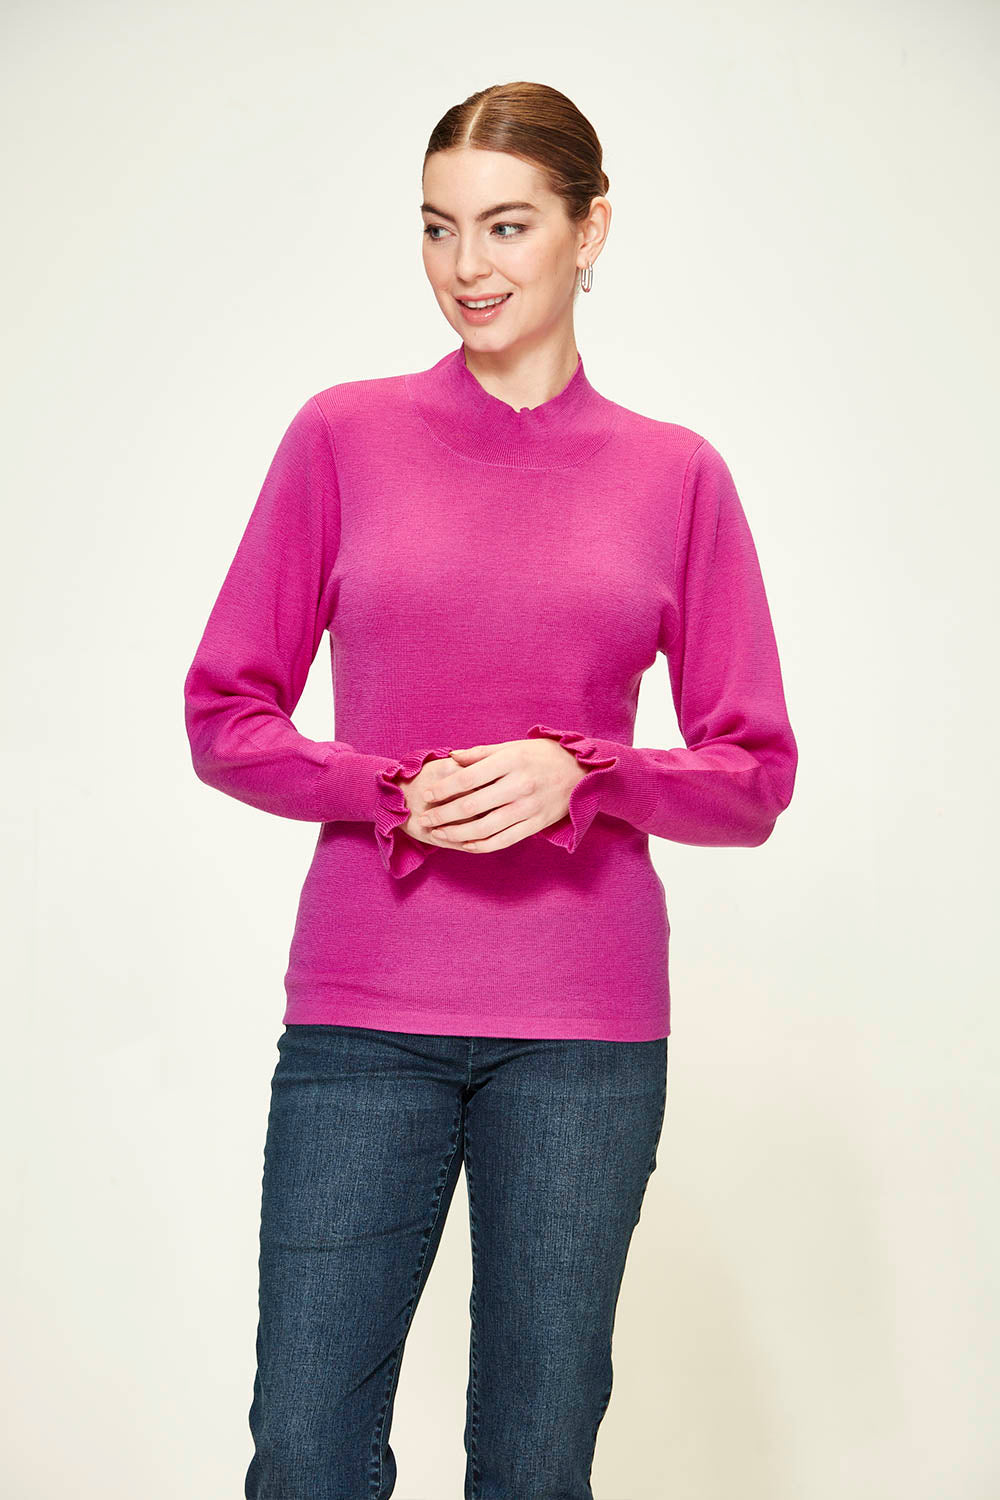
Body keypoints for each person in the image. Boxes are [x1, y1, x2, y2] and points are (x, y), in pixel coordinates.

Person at [183, 80, 797, 1500]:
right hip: (362, 1017)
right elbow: (225, 716)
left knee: (533, 1459)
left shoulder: (676, 475)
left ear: (591, 231)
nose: (468, 265)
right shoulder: (342, 437)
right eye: (438, 227)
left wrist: (587, 774)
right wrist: (385, 789)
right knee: (306, 1449)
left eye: (508, 225)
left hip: (584, 1034)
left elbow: (753, 774)